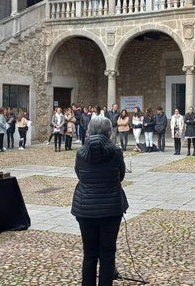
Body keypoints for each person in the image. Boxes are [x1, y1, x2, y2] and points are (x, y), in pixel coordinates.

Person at [71, 115, 129, 286]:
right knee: (107, 254)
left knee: (89, 254)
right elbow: (121, 175)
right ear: (108, 131)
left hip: (86, 208)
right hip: (110, 208)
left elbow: (79, 174)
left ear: (89, 130)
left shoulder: (81, 152)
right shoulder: (116, 151)